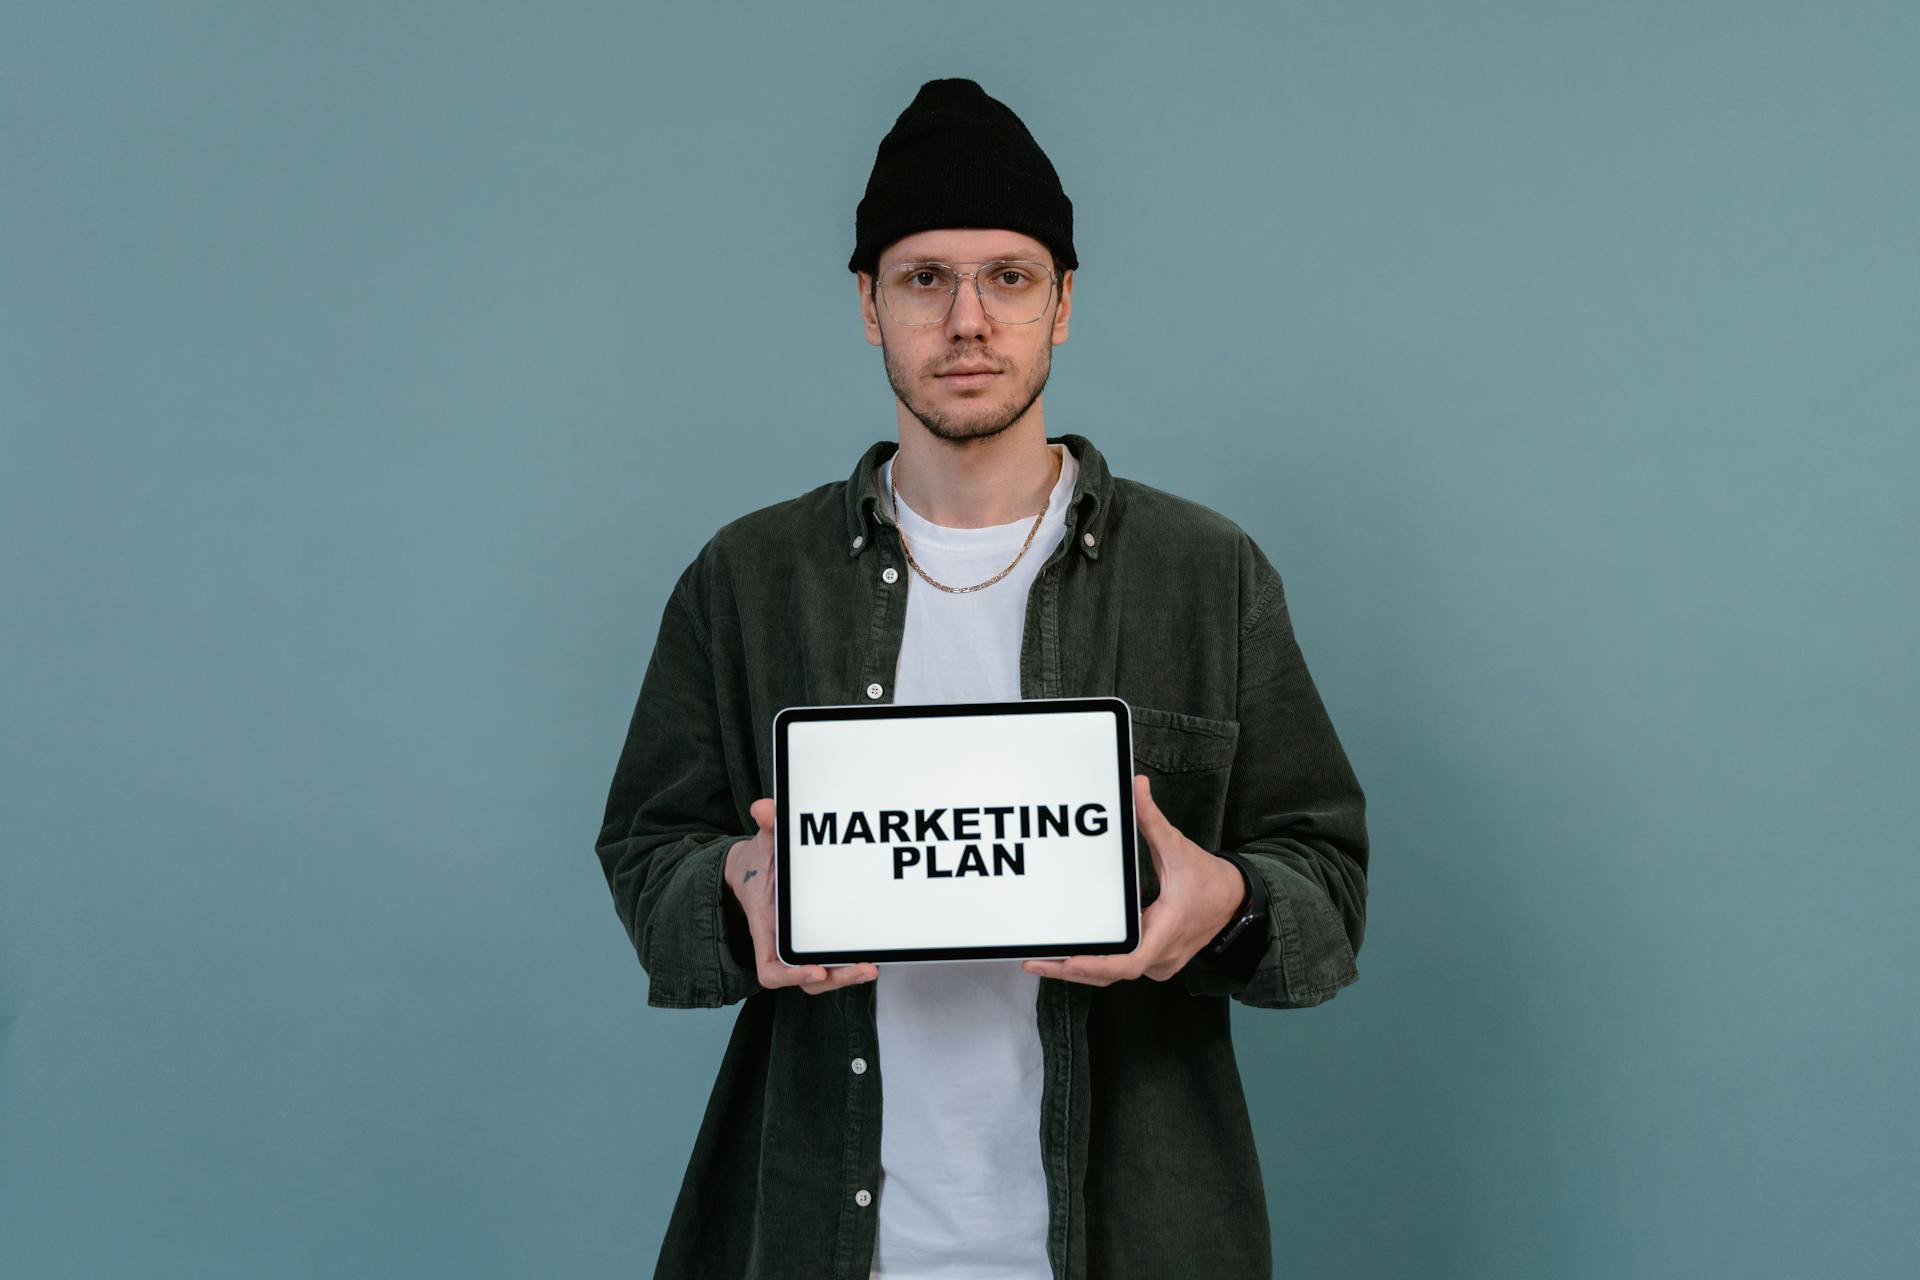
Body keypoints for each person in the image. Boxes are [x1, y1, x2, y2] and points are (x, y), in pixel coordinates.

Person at [594, 77, 1369, 1280]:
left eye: (1008, 276)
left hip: (1139, 1237)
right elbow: (649, 845)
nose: (968, 319)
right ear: (869, 305)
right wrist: (736, 882)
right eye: (924, 278)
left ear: (1063, 303)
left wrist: (1228, 903)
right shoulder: (747, 577)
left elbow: (1325, 877)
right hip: (819, 1235)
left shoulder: (1205, 573)